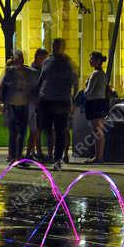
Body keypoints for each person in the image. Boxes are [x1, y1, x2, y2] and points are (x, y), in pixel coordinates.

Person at [35, 39, 75, 169]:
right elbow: (42, 78)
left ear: (63, 47)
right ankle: (51, 153)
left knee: (60, 130)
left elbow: (74, 81)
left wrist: (71, 99)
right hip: (47, 99)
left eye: (58, 46)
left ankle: (57, 158)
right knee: (47, 128)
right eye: (54, 46)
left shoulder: (67, 63)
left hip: (61, 101)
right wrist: (38, 93)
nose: (55, 48)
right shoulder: (48, 61)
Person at [0, 50, 36, 163]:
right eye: (17, 58)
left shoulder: (29, 72)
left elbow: (34, 86)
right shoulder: (9, 72)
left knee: (22, 131)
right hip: (12, 105)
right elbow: (3, 86)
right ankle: (12, 155)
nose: (19, 61)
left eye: (21, 58)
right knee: (13, 131)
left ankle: (19, 156)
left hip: (24, 104)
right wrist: (1, 102)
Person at [82, 51, 109, 164]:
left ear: (98, 61)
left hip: (95, 103)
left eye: (92, 58)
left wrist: (84, 89)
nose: (90, 60)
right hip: (101, 102)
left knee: (97, 131)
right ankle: (98, 156)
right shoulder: (102, 73)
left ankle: (98, 157)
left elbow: (88, 92)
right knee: (99, 131)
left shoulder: (95, 74)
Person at [25, 48, 49, 161]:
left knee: (36, 130)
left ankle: (33, 152)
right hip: (32, 104)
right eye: (44, 58)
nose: (46, 61)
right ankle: (32, 152)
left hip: (39, 103)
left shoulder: (41, 70)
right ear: (38, 57)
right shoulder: (33, 72)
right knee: (34, 130)